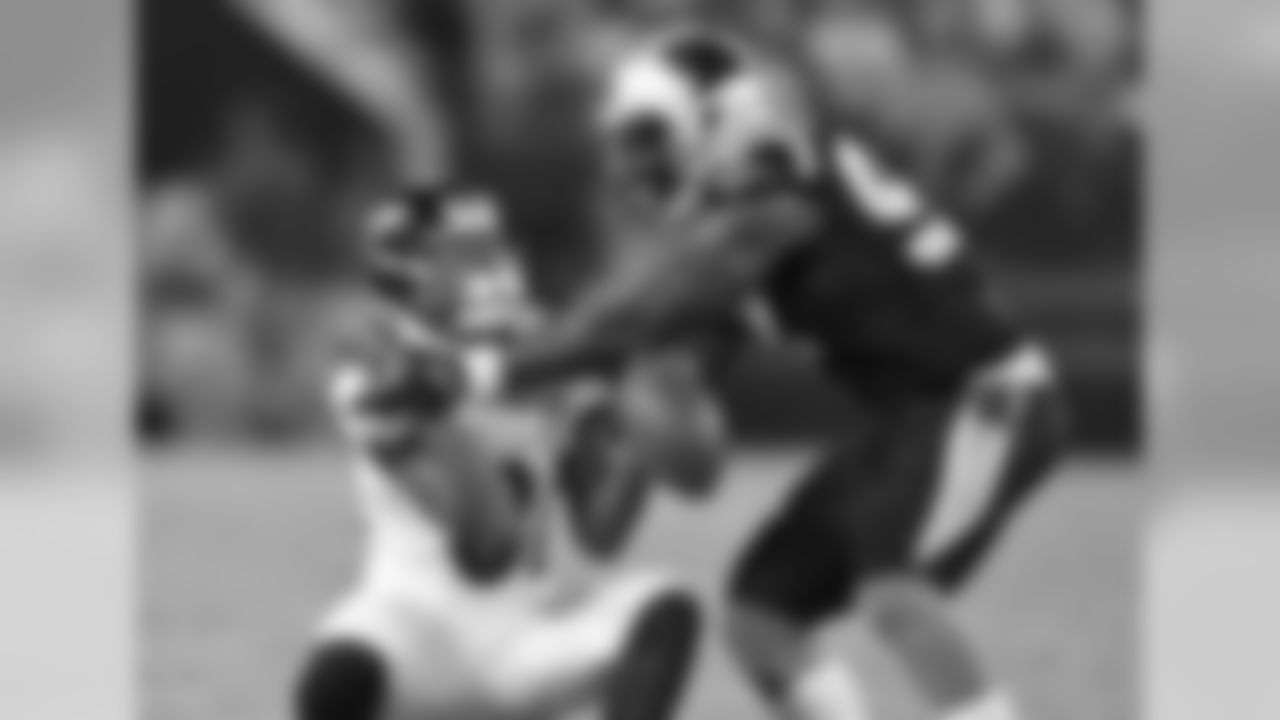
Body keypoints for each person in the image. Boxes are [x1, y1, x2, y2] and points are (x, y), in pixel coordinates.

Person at [421, 29, 1068, 720]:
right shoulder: (750, 206)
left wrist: (480, 370)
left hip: (986, 397)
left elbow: (624, 320)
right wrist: (615, 421)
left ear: (714, 118)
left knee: (892, 587)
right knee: (763, 615)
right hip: (907, 416)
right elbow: (676, 365)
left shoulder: (772, 196)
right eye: (629, 140)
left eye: (651, 134)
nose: (637, 161)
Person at [293, 188, 711, 720]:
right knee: (342, 671)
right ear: (407, 270)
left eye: (495, 249)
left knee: (667, 607)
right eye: (467, 254)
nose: (493, 270)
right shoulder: (376, 368)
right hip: (417, 632)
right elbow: (488, 544)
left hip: (518, 641)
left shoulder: (537, 356)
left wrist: (644, 436)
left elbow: (602, 533)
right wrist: (446, 409)